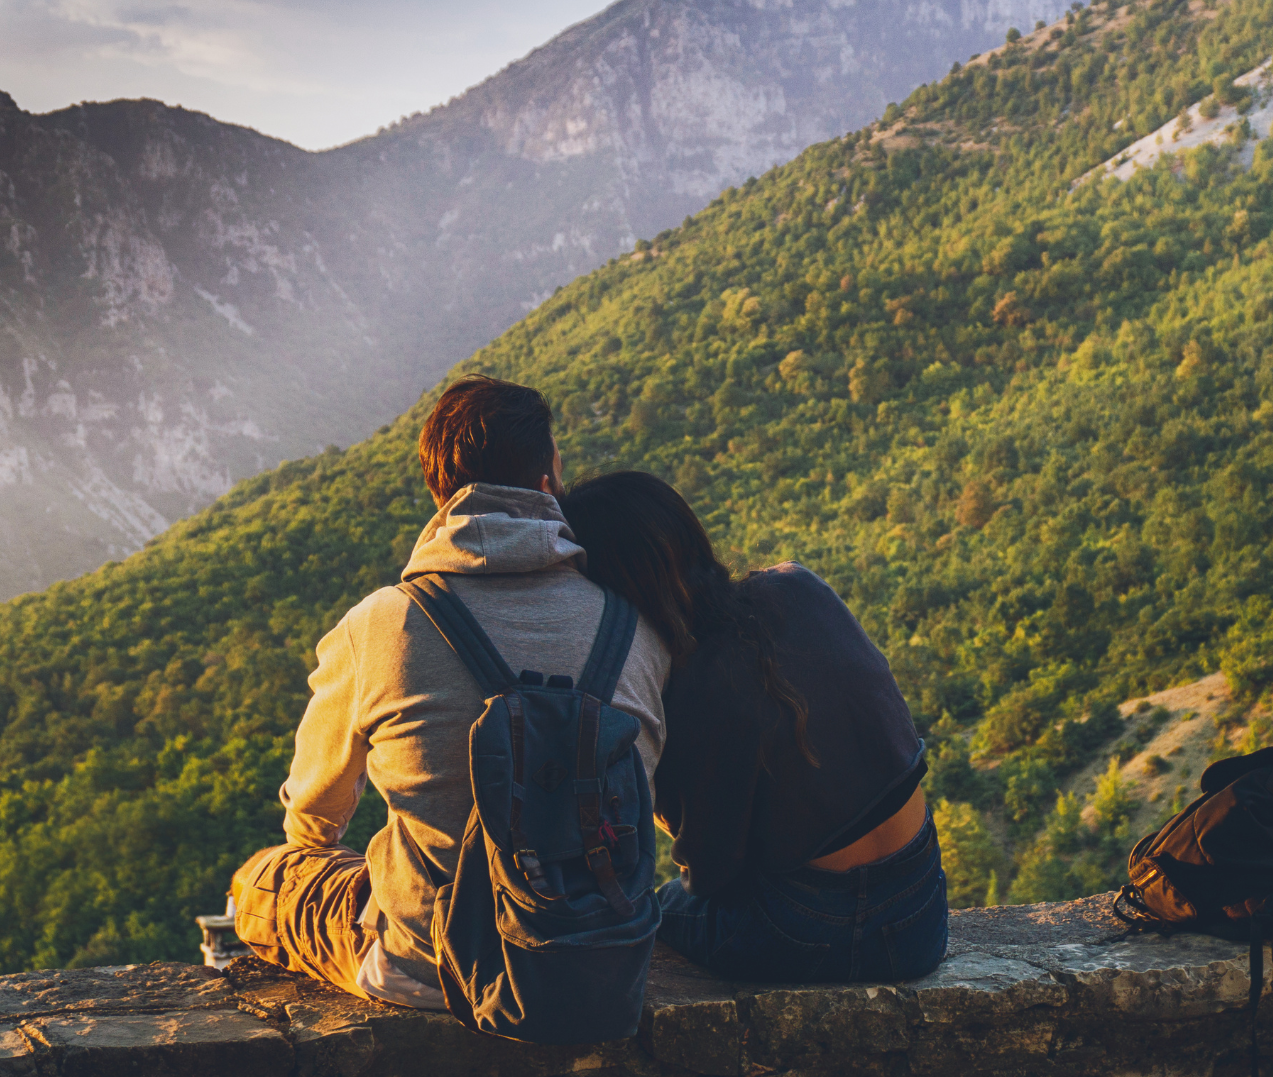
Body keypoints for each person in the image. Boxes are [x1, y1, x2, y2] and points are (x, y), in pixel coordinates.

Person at [230, 376, 670, 1006]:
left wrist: (333, 853)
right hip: (597, 957)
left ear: (440, 495)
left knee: (263, 880)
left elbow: (313, 811)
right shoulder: (636, 627)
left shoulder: (382, 622)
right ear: (549, 481)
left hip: (431, 963)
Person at [559, 470, 946, 983]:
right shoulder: (798, 586)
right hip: (923, 910)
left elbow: (711, 875)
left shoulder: (693, 684)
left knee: (654, 909)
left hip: (808, 929)